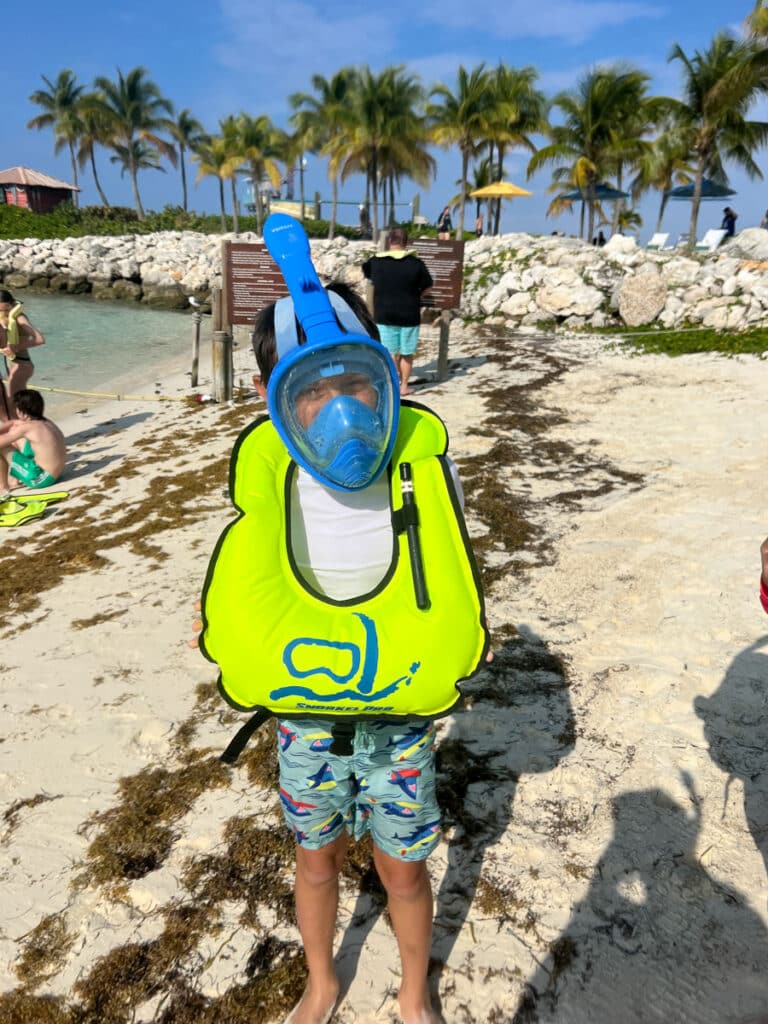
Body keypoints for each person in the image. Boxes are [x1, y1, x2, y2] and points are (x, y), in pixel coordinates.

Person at [199, 213, 490, 1024]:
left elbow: (453, 572)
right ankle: (322, 980)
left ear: (386, 380)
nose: (341, 413)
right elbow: (242, 578)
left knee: (402, 867)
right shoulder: (273, 484)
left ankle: (411, 988)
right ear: (274, 399)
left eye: (355, 383)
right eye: (312, 391)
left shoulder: (416, 470)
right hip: (305, 714)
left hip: (400, 711)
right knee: (316, 858)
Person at [361, 227, 433, 396]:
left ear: (389, 241)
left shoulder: (375, 262)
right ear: (406, 242)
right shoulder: (416, 264)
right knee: (407, 353)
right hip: (409, 314)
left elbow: (366, 272)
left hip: (384, 315)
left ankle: (393, 386)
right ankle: (404, 386)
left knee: (391, 353)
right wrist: (417, 294)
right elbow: (428, 287)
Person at [0, 388, 66, 492]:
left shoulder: (27, 428)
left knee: (3, 447)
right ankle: (13, 481)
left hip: (41, 479)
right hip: (56, 474)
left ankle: (2, 488)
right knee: (17, 439)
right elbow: (13, 423)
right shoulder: (46, 422)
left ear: (21, 411)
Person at [0, 289, 45, 418]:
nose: (4, 313)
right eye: (0, 310)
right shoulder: (4, 319)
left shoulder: (19, 318)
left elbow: (39, 339)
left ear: (13, 304)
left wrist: (17, 347)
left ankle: (26, 432)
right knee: (17, 404)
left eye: (6, 309)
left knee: (13, 404)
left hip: (22, 366)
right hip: (14, 365)